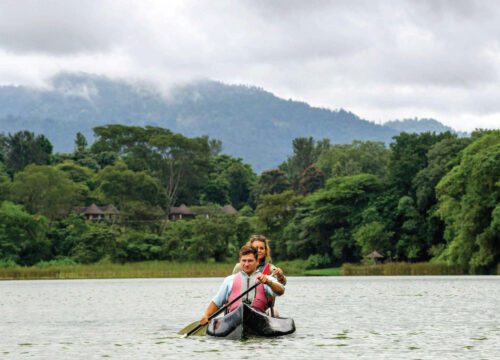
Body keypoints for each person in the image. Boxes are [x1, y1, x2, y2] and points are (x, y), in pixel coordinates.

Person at [199, 245, 284, 325]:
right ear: (240, 261)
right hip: (234, 318)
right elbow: (217, 302)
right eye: (244, 261)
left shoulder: (266, 279)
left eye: (250, 261)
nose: (246, 264)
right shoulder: (229, 280)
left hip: (259, 318)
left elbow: (281, 291)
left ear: (257, 261)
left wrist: (269, 282)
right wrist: (206, 315)